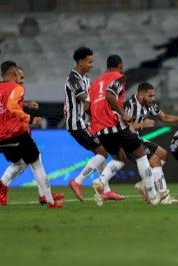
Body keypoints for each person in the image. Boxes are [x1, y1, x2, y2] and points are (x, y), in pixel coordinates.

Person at [88, 54, 159, 206]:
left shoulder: (95, 83)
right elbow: (109, 95)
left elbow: (87, 106)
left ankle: (101, 181)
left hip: (100, 128)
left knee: (120, 158)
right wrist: (123, 113)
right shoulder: (119, 77)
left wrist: (95, 122)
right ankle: (153, 196)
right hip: (115, 123)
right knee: (140, 154)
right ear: (120, 66)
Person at [64, 47, 124, 202]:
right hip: (77, 124)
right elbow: (86, 100)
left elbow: (90, 104)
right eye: (89, 61)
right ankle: (77, 181)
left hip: (87, 123)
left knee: (102, 153)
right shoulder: (73, 78)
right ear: (81, 62)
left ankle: (105, 190)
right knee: (103, 153)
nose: (92, 64)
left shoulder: (87, 79)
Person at [0, 60, 63, 208]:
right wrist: (30, 118)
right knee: (36, 162)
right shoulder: (17, 88)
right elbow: (11, 105)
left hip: (2, 138)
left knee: (20, 163)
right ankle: (49, 200)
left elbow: (5, 105)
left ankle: (3, 186)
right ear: (14, 73)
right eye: (18, 74)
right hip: (16, 134)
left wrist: (26, 105)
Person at [124, 82, 178, 204]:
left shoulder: (150, 105)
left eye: (154, 95)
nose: (153, 99)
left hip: (136, 138)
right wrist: (142, 124)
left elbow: (164, 117)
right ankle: (164, 196)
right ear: (141, 95)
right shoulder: (129, 106)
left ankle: (145, 182)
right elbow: (124, 129)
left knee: (163, 155)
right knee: (155, 161)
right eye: (150, 96)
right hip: (126, 141)